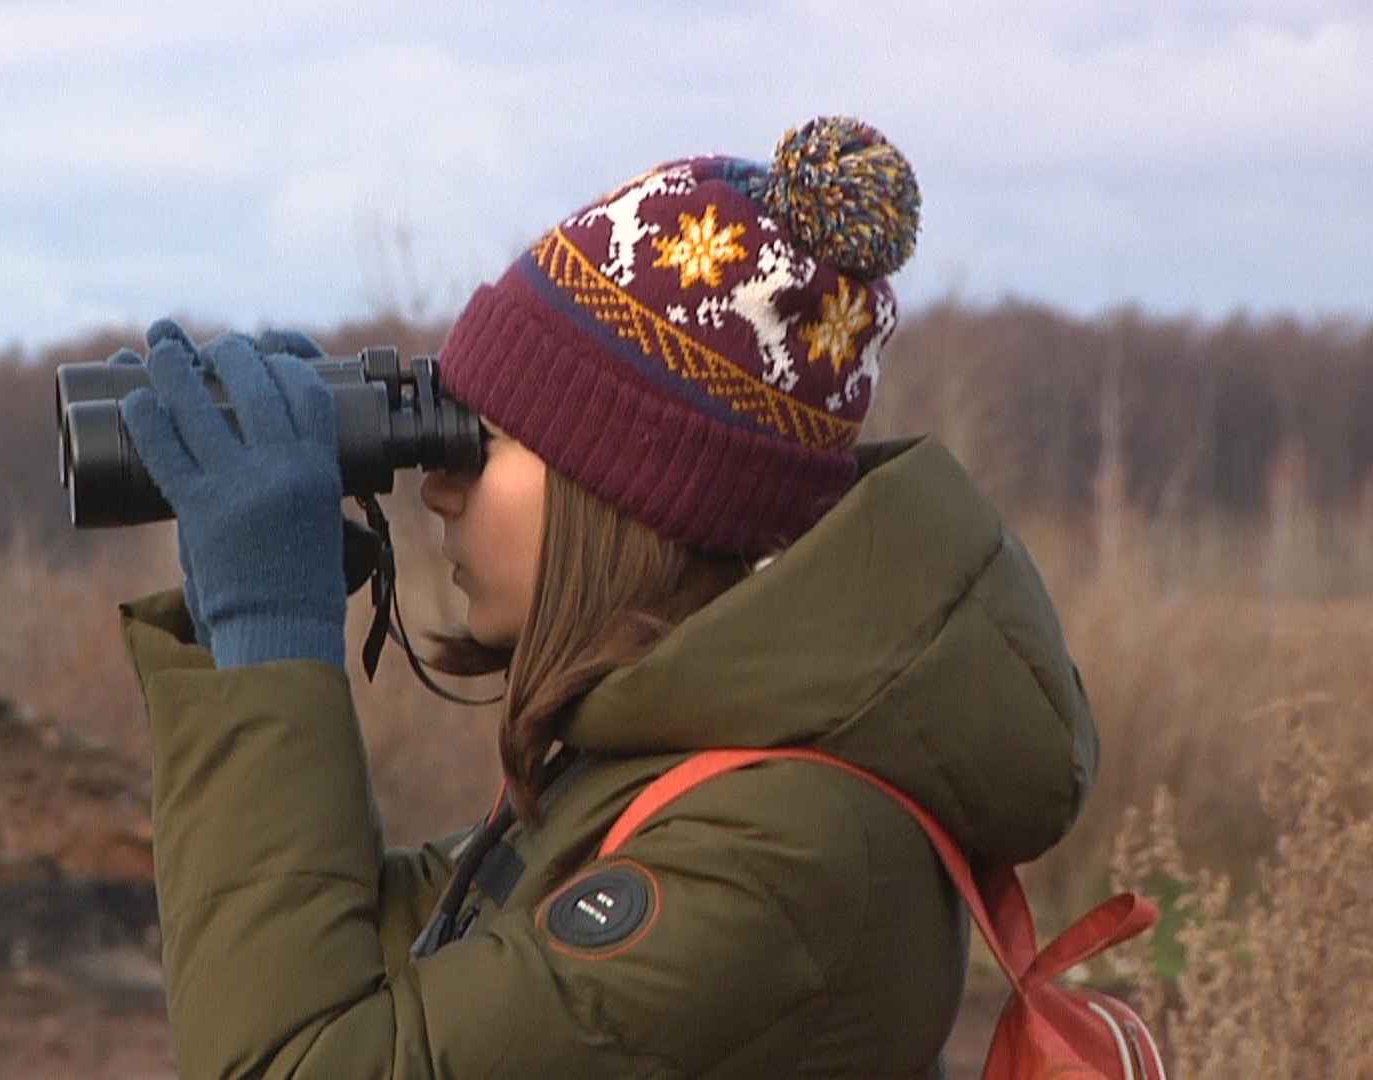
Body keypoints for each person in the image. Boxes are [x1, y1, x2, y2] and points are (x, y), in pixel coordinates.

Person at [112, 116, 1097, 1077]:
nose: (436, 486)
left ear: (624, 491)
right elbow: (347, 950)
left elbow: (306, 1057)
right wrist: (233, 606)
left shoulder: (784, 855)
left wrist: (273, 636)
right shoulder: (659, 772)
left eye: (480, 441)